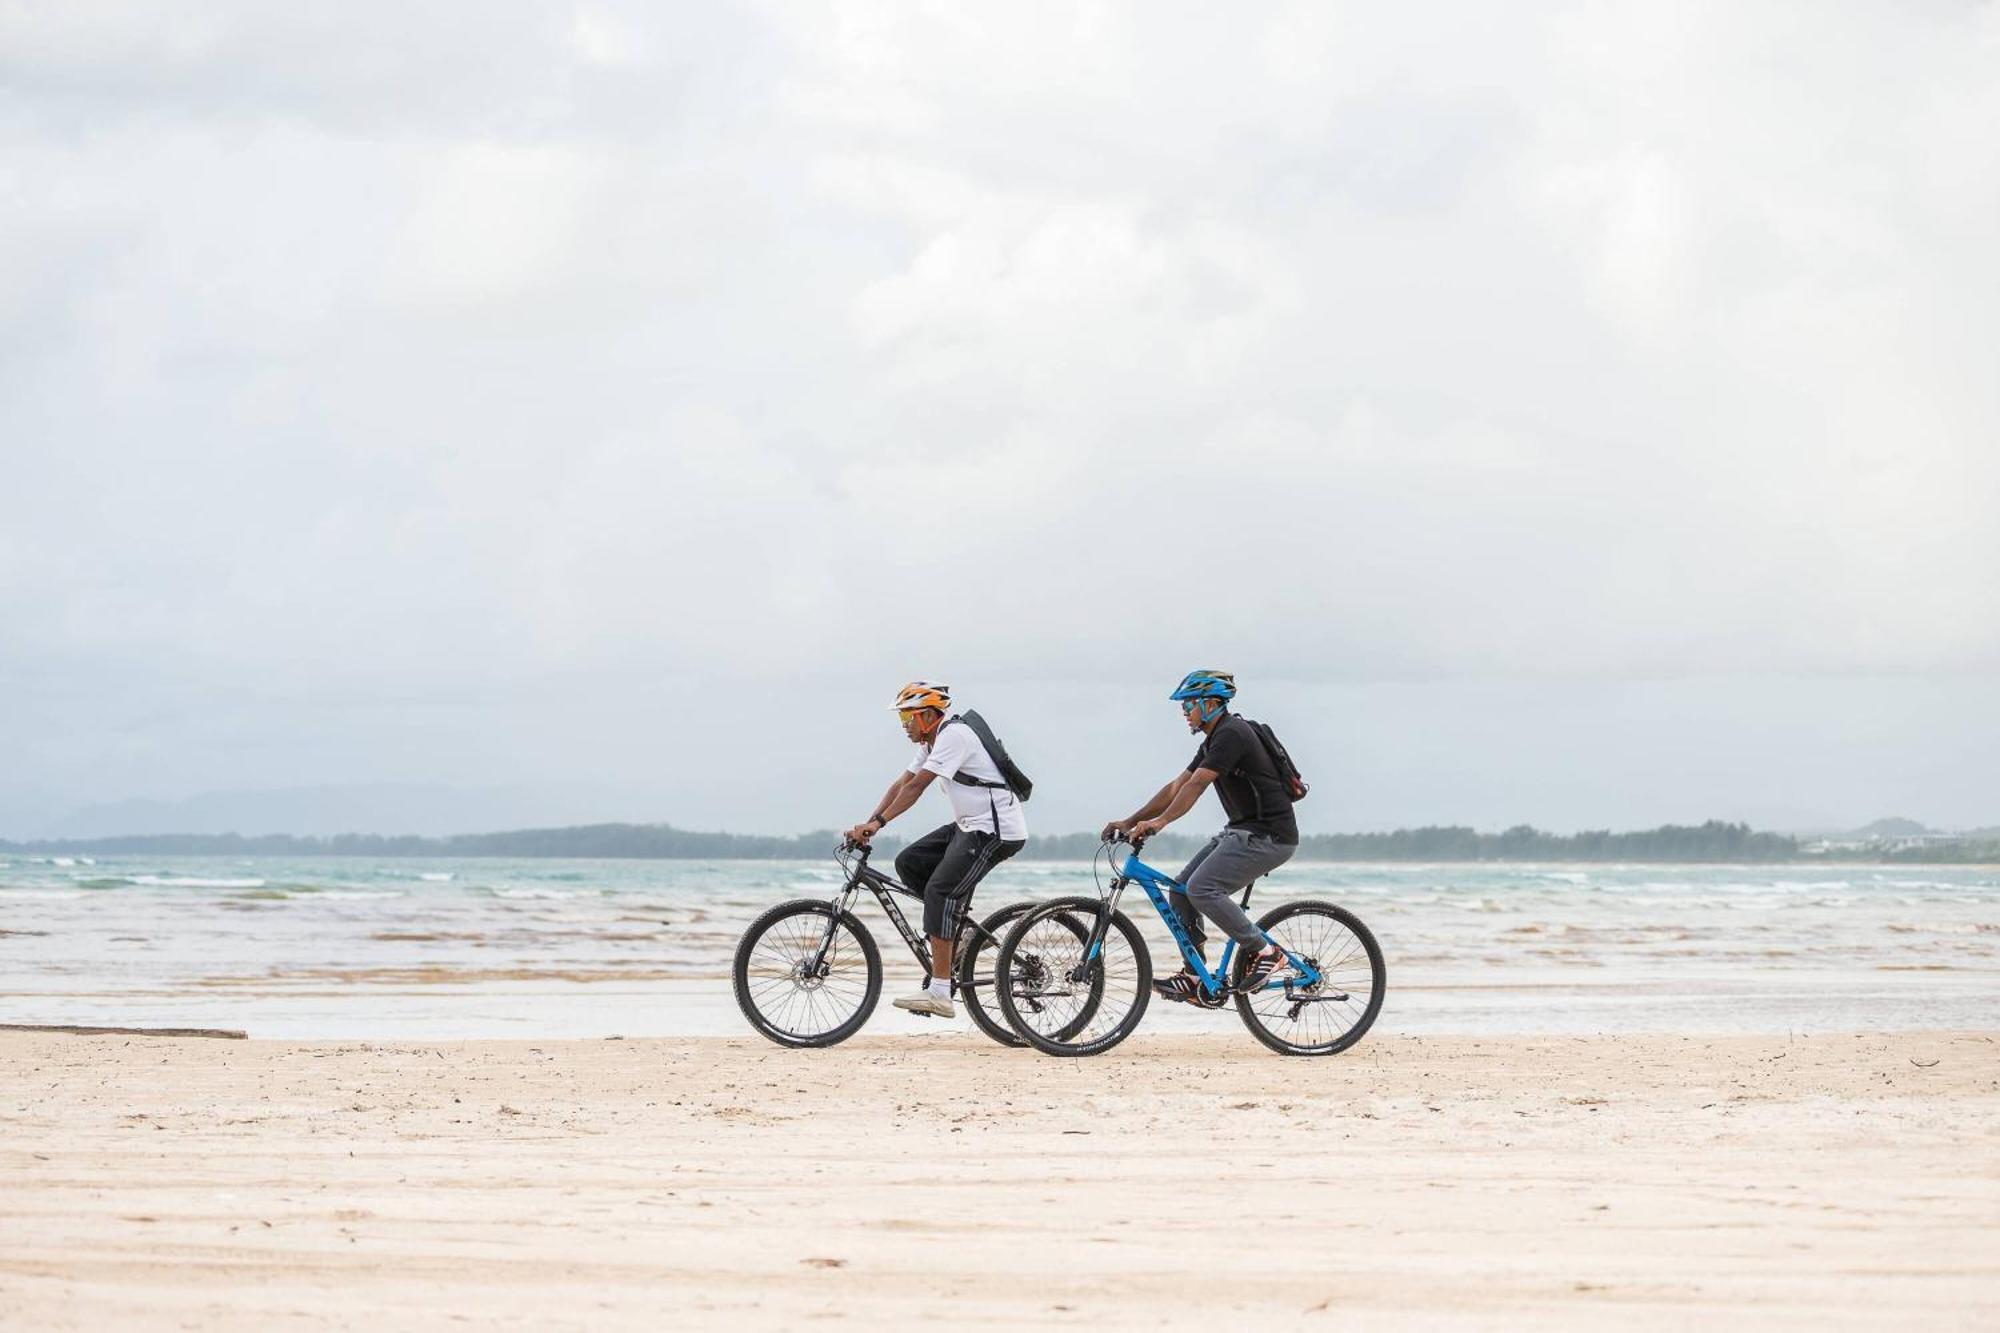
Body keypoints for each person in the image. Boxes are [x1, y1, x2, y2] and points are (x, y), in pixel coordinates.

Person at [1101, 669, 1297, 1001]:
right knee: (1180, 892)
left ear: (1209, 704)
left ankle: (1266, 952)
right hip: (1240, 831)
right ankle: (1195, 976)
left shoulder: (1232, 734)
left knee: (1202, 889)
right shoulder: (1214, 739)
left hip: (1269, 836)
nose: (1184, 712)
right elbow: (1177, 785)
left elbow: (1197, 784)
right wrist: (1131, 819)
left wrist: (1159, 823)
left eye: (1188, 705)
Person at [845, 681, 1028, 1018]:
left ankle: (940, 992)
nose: (904, 725)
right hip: (969, 826)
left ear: (928, 715)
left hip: (994, 829)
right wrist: (869, 823)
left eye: (907, 718)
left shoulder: (954, 736)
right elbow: (902, 782)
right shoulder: (932, 741)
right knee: (910, 863)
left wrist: (879, 823)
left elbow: (917, 787)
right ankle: (964, 935)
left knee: (940, 891)